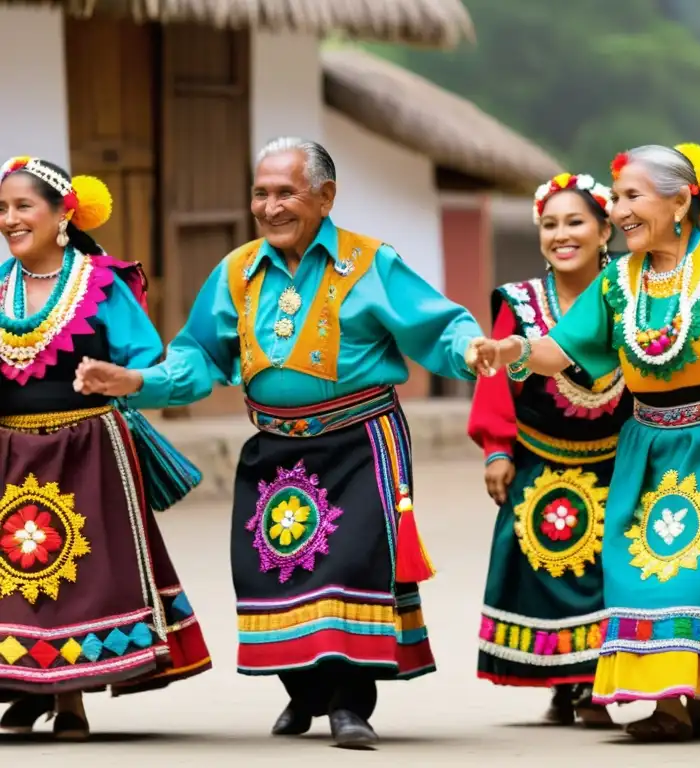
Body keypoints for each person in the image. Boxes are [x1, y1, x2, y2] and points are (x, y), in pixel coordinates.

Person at [73, 138, 492, 749]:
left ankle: (351, 703)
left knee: (352, 565)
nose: (270, 207)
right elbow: (198, 357)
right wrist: (139, 380)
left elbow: (441, 326)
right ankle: (305, 693)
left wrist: (470, 349)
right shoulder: (237, 272)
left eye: (285, 193)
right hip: (275, 446)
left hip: (360, 442)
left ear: (325, 197)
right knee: (271, 569)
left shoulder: (369, 263)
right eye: (260, 193)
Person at [471, 143, 700, 742]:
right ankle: (684, 696)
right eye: (617, 199)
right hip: (645, 446)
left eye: (632, 197)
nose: (621, 211)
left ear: (681, 201)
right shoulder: (618, 281)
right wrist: (513, 350)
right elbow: (561, 350)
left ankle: (674, 703)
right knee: (639, 573)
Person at [0, 157, 211, 740]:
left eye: (23, 207)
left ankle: (71, 701)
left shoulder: (102, 284)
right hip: (9, 457)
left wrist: (115, 377)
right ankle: (25, 687)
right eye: (2, 209)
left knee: (77, 573)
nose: (10, 219)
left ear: (63, 213)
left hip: (87, 450)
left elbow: (146, 364)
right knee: (16, 576)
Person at [469, 172, 631, 727]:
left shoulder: (631, 291)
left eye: (576, 222)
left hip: (618, 460)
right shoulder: (519, 302)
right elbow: (496, 381)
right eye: (550, 224)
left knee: (612, 572)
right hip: (541, 460)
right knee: (547, 569)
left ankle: (596, 684)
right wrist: (497, 449)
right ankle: (566, 683)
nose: (561, 235)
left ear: (605, 228)